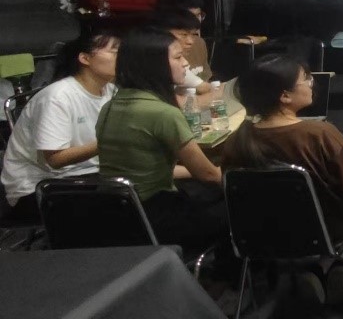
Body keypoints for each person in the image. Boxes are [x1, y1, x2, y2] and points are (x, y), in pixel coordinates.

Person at [96, 27, 225, 256]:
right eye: (178, 57)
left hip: (117, 214)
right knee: (242, 208)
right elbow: (208, 174)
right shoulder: (163, 112)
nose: (185, 63)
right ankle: (224, 273)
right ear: (153, 64)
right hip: (156, 216)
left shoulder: (110, 106)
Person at [222, 54, 343, 242]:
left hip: (261, 234)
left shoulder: (236, 140)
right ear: (285, 96)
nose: (311, 83)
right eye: (306, 79)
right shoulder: (320, 134)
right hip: (326, 231)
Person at [2, 30, 119, 222]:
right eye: (114, 51)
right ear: (85, 58)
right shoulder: (57, 97)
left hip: (89, 175)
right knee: (125, 205)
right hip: (40, 187)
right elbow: (55, 159)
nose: (121, 57)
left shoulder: (110, 91)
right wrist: (110, 142)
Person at [152, 8, 211, 94]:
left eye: (193, 34)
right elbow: (203, 87)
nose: (190, 41)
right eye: (184, 35)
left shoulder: (199, 44)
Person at [156, 0, 211, 83]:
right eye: (190, 16)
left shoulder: (199, 43)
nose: (196, 21)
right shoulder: (159, 49)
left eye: (199, 15)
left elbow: (206, 80)